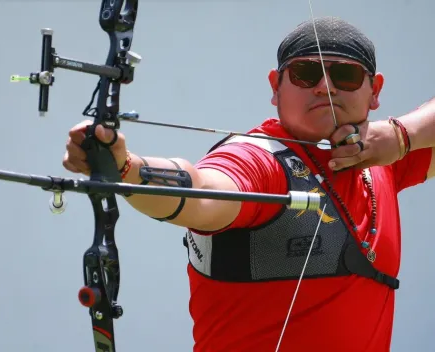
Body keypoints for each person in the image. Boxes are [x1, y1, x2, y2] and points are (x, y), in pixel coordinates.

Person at [62, 17, 435, 352]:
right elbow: (204, 192)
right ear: (276, 87)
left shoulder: (384, 161)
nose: (325, 87)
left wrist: (404, 135)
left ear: (375, 90)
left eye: (346, 76)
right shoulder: (261, 161)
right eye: (306, 73)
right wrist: (128, 169)